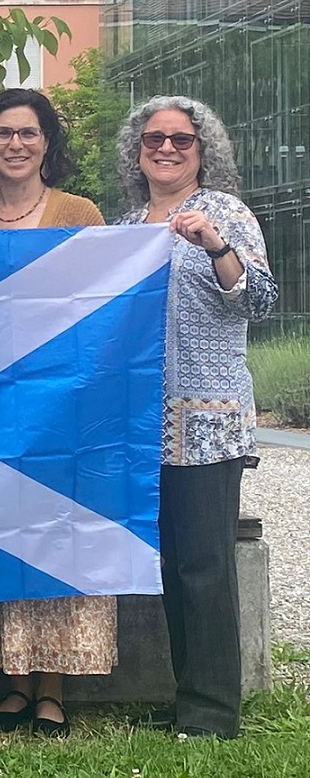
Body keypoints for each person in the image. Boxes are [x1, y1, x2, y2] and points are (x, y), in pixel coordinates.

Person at [0, 88, 114, 737]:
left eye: (29, 132)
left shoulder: (79, 212)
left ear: (48, 143)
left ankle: (53, 687)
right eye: (4, 132)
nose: (16, 143)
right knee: (3, 537)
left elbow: (104, 303)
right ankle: (14, 683)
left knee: (56, 540)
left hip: (61, 402)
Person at [115, 95, 277, 738]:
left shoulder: (226, 212)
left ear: (203, 149)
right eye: (154, 139)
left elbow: (259, 301)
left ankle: (214, 709)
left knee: (205, 564)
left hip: (209, 417)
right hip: (143, 420)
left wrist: (216, 247)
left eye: (182, 139)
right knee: (170, 563)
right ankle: (189, 696)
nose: (166, 148)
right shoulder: (127, 227)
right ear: (138, 151)